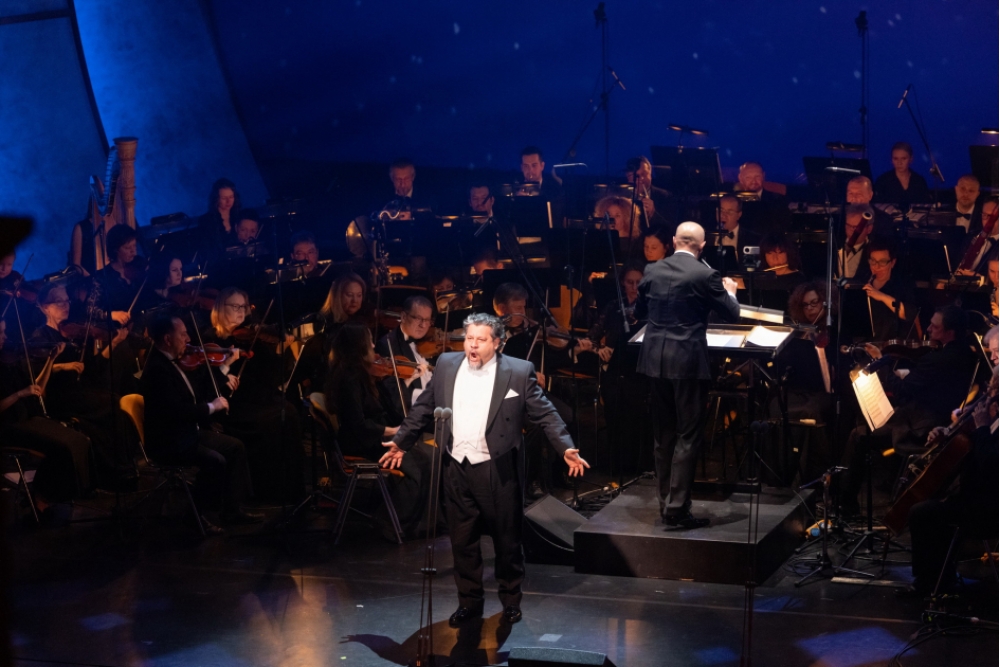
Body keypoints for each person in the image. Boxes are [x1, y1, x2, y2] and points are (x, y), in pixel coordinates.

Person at [380, 313, 589, 626]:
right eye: (469, 338)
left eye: (480, 340)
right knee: (462, 540)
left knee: (506, 540)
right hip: (456, 466)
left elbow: (546, 414)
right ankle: (469, 603)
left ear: (498, 343)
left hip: (497, 468)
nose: (473, 345)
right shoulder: (447, 364)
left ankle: (510, 601)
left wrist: (565, 447)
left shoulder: (518, 371)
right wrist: (401, 442)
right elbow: (423, 408)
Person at [636, 222, 740, 528]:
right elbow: (732, 313)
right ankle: (677, 509)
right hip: (687, 363)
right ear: (702, 246)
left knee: (663, 435)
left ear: (672, 241)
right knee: (688, 434)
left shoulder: (652, 270)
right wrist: (730, 292)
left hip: (654, 361)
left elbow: (639, 311)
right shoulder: (706, 275)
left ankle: (665, 502)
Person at [839, 306, 979, 517]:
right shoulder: (965, 352)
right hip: (932, 416)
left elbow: (901, 390)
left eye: (935, 327)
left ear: (950, 332)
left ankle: (846, 504)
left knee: (859, 436)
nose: (928, 329)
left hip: (922, 427)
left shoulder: (938, 359)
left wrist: (881, 360)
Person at [140, 312, 259, 534]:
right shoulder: (157, 369)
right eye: (183, 334)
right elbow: (178, 412)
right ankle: (195, 517)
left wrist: (222, 370)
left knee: (235, 447)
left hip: (187, 432)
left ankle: (232, 510)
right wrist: (212, 407)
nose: (189, 339)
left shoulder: (175, 361)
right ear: (167, 339)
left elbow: (196, 393)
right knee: (215, 461)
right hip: (170, 441)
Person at [903, 327, 998, 597]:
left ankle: (931, 583)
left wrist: (982, 427)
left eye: (995, 389)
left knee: (923, 513)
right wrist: (947, 432)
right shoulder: (992, 407)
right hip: (975, 495)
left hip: (990, 505)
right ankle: (939, 578)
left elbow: (992, 463)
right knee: (931, 505)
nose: (990, 394)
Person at [203, 287, 303, 501]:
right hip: (233, 406)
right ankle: (263, 491)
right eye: (235, 306)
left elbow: (271, 378)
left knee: (289, 411)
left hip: (256, 399)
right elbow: (207, 383)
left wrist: (280, 351)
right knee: (273, 419)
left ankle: (289, 490)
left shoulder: (251, 337)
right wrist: (226, 370)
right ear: (221, 308)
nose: (241, 311)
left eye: (244, 307)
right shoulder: (212, 339)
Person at [0, 320, 92, 512]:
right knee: (62, 447)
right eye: (1, 333)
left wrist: (51, 359)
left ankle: (66, 493)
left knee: (79, 439)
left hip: (27, 419)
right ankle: (43, 498)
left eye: (4, 331)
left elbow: (38, 389)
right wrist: (19, 394)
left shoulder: (10, 363)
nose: (5, 337)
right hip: (8, 427)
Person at [587, 263, 650, 475]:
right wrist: (599, 349)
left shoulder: (651, 307)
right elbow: (592, 337)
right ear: (623, 283)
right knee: (615, 415)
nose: (634, 287)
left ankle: (639, 465)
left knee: (637, 417)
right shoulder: (614, 306)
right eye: (630, 282)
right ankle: (617, 465)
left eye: (638, 282)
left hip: (640, 370)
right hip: (614, 369)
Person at [375, 295, 435, 421]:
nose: (423, 325)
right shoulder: (387, 345)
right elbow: (392, 398)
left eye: (427, 320)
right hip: (414, 415)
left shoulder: (433, 343)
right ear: (403, 317)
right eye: (418, 318)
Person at [861, 235, 917, 341]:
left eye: (882, 262)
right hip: (866, 342)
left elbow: (909, 314)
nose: (876, 267)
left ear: (892, 262)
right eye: (873, 261)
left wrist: (882, 296)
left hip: (892, 344)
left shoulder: (902, 284)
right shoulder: (863, 280)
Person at [198, 178, 241, 261]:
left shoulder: (239, 216)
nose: (228, 201)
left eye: (231, 197)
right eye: (224, 198)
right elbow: (206, 250)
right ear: (216, 199)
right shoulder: (206, 220)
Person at [625, 156, 673, 232]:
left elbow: (671, 226)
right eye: (637, 176)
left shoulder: (665, 196)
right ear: (628, 177)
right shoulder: (623, 197)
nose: (641, 179)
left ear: (650, 174)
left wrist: (654, 213)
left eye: (644, 174)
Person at [836, 204, 875, 280]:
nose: (852, 230)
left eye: (856, 227)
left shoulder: (874, 252)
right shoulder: (834, 244)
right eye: (848, 225)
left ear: (869, 229)